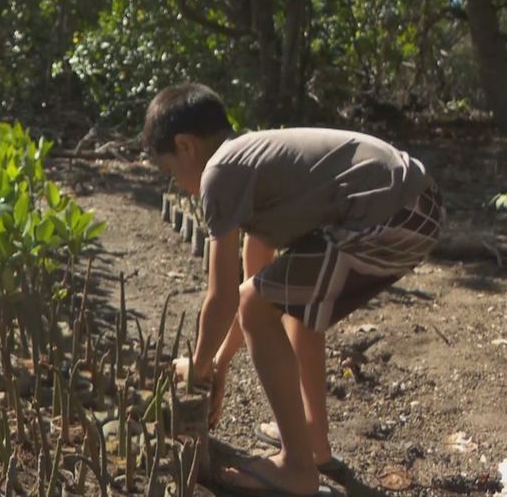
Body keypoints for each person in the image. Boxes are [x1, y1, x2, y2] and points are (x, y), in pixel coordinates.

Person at [142, 83, 443, 497]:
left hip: (389, 214)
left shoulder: (219, 174)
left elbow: (225, 297)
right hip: (414, 206)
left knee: (263, 304)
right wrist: (221, 363)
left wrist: (197, 366)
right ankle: (313, 444)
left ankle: (297, 470)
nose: (178, 185)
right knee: (292, 307)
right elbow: (257, 290)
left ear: (186, 145)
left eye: (171, 172)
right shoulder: (255, 167)